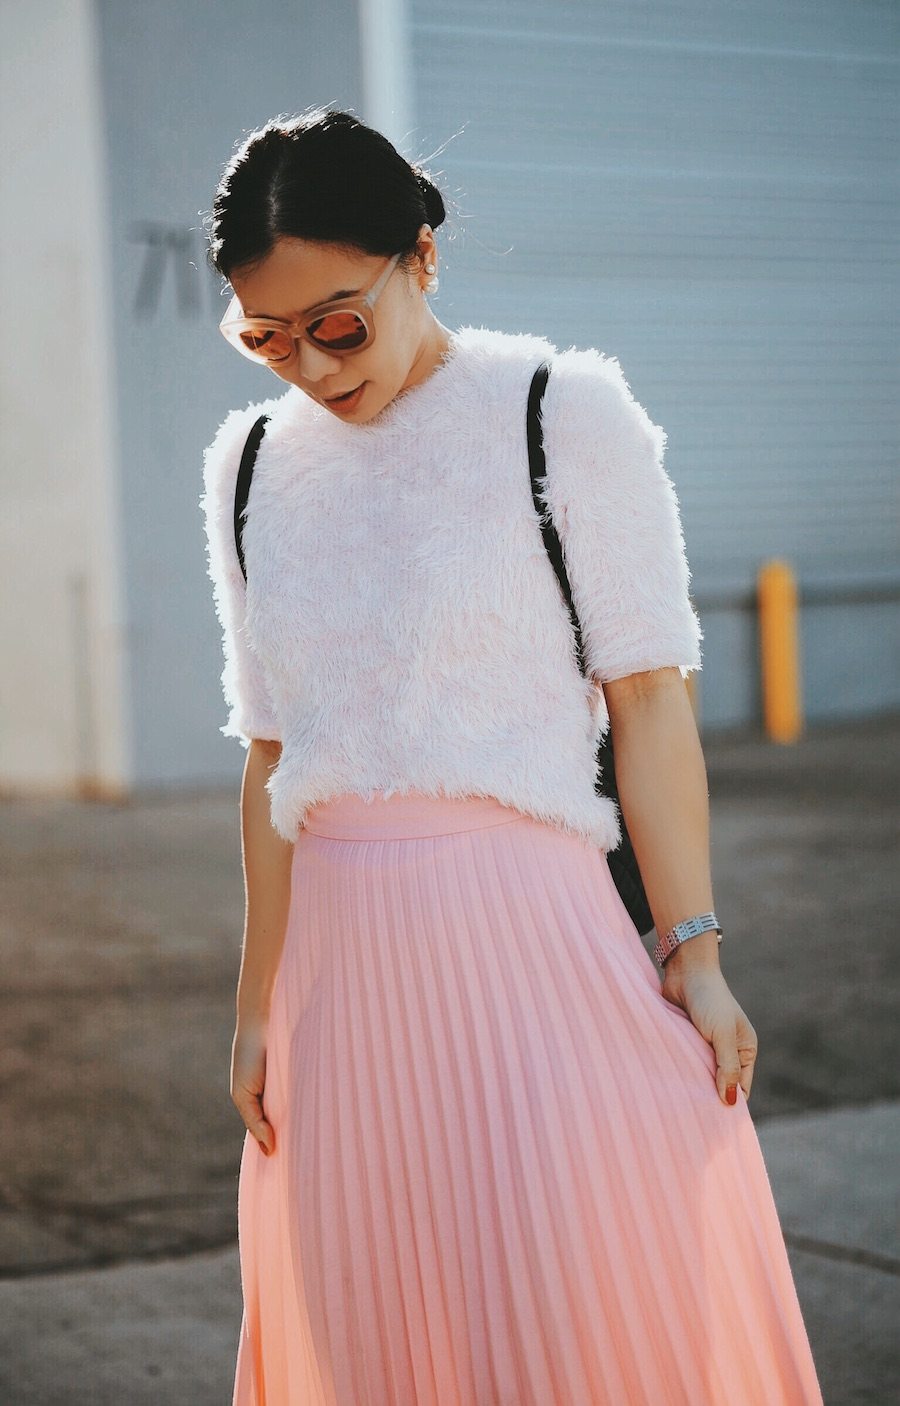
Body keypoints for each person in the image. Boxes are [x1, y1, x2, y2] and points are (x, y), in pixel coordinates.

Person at [200, 107, 824, 1406]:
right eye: (267, 337)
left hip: (534, 940)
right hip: (340, 973)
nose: (309, 368)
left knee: (573, 1300)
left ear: (419, 257)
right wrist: (260, 1005)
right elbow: (272, 757)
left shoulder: (560, 412)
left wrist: (694, 954)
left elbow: (650, 698)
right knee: (373, 1322)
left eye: (337, 323)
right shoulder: (252, 464)